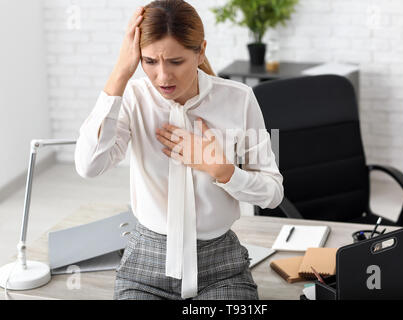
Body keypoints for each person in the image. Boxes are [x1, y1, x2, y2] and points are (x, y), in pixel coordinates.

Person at [74, 0, 283, 300]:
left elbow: (273, 192)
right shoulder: (133, 98)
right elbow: (88, 165)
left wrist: (221, 169)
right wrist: (120, 73)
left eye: (175, 61)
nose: (162, 77)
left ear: (200, 52)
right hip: (145, 264)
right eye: (149, 61)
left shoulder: (240, 99)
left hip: (221, 266)